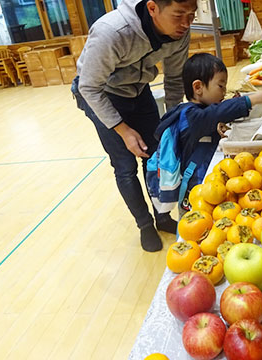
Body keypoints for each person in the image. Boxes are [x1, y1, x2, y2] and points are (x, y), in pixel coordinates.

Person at [71, 0, 197, 252]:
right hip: (100, 94)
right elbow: (89, 88)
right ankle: (145, 225)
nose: (186, 23)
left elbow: (174, 80)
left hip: (138, 91)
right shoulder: (112, 32)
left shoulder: (179, 32)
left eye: (191, 15)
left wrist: (171, 120)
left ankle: (161, 216)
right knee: (126, 165)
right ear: (152, 8)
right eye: (179, 14)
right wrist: (123, 130)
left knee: (155, 155)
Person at [147, 53, 262, 214]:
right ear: (198, 87)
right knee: (194, 221)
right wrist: (251, 99)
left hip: (210, 184)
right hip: (196, 189)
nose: (223, 92)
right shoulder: (191, 116)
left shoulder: (197, 112)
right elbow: (213, 115)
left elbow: (211, 118)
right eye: (220, 86)